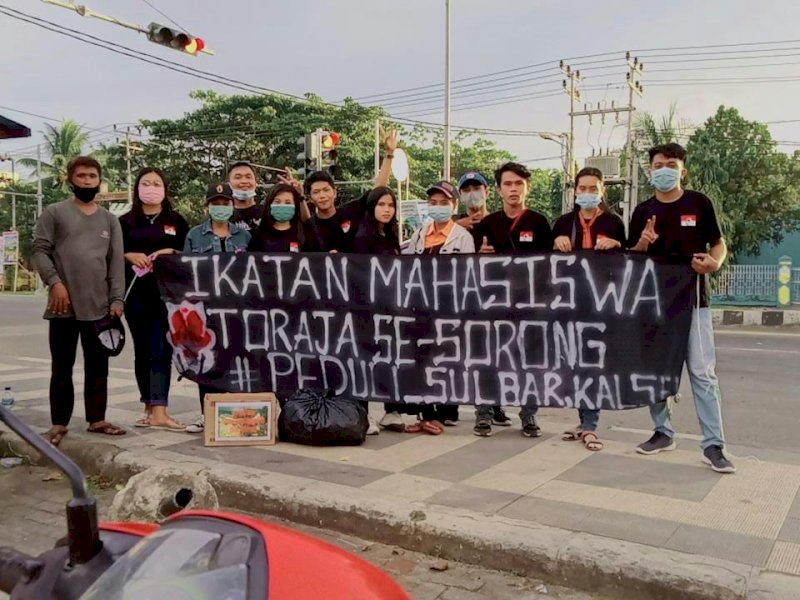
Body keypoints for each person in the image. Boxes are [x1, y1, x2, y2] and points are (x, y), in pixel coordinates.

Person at [628, 143, 735, 474]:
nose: (663, 169)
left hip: (694, 302)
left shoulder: (699, 203)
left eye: (670, 164)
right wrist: (644, 242)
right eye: (657, 164)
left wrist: (714, 262)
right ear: (650, 172)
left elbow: (719, 243)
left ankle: (714, 445)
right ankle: (662, 432)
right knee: (656, 371)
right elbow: (632, 256)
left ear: (682, 170)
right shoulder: (642, 211)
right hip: (655, 305)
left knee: (703, 373)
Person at [31, 156, 127, 446]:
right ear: (70, 180)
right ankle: (58, 424)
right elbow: (39, 250)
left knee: (98, 367)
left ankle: (97, 419)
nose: (87, 181)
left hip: (99, 308)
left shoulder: (110, 220)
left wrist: (117, 299)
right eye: (82, 176)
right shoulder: (54, 212)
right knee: (61, 366)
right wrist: (54, 282)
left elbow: (115, 265)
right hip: (62, 307)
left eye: (92, 176)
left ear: (100, 181)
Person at [474, 162, 554, 438]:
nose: (513, 189)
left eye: (518, 184)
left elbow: (550, 267)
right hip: (494, 305)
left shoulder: (539, 222)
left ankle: (528, 414)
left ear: (526, 188)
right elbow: (470, 269)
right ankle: (483, 414)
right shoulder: (488, 224)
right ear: (498, 190)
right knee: (489, 359)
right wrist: (481, 259)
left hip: (530, 306)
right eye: (508, 184)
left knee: (530, 361)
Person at [553, 167, 626, 452]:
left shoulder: (613, 222)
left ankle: (591, 425)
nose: (587, 193)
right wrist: (555, 243)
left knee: (593, 364)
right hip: (569, 304)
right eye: (581, 188)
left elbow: (629, 261)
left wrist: (617, 244)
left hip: (601, 305)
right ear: (574, 191)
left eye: (592, 188)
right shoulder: (563, 222)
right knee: (574, 365)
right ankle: (584, 421)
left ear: (602, 190)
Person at [396, 181, 474, 435]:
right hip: (421, 309)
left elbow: (467, 277)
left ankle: (444, 413)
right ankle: (425, 413)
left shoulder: (463, 238)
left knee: (446, 360)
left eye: (444, 203)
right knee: (422, 360)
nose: (438, 207)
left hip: (449, 309)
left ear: (453, 206)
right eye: (433, 203)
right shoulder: (420, 234)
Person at [119, 168, 190, 431]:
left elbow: (188, 254)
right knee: (142, 352)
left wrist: (171, 252)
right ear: (137, 188)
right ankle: (148, 407)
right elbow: (112, 254)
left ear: (165, 189)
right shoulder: (125, 222)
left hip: (167, 297)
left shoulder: (177, 221)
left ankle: (160, 409)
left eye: (156, 183)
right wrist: (129, 256)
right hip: (135, 296)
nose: (151, 187)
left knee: (161, 349)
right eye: (145, 183)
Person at [183, 182, 251, 433]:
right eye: (216, 203)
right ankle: (206, 413)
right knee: (207, 361)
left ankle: (234, 412)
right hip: (206, 310)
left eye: (225, 203)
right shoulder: (194, 235)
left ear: (233, 206)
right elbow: (186, 272)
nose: (221, 207)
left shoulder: (244, 236)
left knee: (236, 361)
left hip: (238, 311)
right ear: (207, 206)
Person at [453, 171, 513, 428]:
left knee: (501, 356)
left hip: (500, 299)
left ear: (488, 192)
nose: (472, 194)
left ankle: (497, 405)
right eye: (466, 190)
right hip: (470, 301)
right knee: (480, 357)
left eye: (477, 188)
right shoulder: (454, 225)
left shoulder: (501, 222)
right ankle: (483, 410)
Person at [305, 131, 398, 252]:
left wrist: (390, 154)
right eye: (316, 192)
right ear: (310, 197)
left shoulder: (351, 211)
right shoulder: (308, 227)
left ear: (334, 192)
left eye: (326, 190)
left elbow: (378, 190)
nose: (322, 195)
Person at [248, 184, 308, 252]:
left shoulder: (303, 233)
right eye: (277, 202)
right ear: (270, 204)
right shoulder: (259, 234)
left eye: (288, 203)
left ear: (295, 205)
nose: (282, 205)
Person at [229, 161, 263, 232]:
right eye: (238, 177)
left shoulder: (268, 212)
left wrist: (292, 191)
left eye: (248, 177)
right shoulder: (223, 217)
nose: (244, 181)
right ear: (229, 184)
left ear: (256, 183)